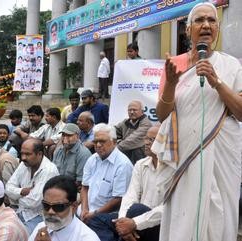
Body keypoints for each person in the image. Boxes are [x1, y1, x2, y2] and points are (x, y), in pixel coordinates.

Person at [153, 3, 242, 241]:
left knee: (220, 219)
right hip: (185, 156)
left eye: (212, 21)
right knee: (184, 221)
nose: (206, 25)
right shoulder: (174, 64)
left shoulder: (232, 66)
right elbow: (163, 115)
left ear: (218, 28)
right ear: (188, 30)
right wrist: (171, 83)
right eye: (200, 20)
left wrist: (217, 82)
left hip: (222, 155)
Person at [88, 126, 162, 241]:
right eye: (146, 138)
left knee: (138, 208)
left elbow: (165, 209)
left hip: (155, 222)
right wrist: (122, 223)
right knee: (95, 220)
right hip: (132, 218)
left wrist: (134, 223)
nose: (146, 143)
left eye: (152, 140)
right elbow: (130, 196)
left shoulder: (173, 169)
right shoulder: (141, 164)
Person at [80, 124, 133, 224]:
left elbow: (118, 199)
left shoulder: (123, 165)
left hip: (107, 216)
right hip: (87, 211)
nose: (98, 145)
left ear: (114, 142)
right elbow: (85, 187)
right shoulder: (92, 159)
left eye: (102, 141)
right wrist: (84, 209)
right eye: (95, 141)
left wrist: (94, 214)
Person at [5, 139, 59, 235]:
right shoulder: (24, 164)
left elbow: (33, 202)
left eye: (28, 154)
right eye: (22, 154)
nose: (23, 157)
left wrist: (15, 197)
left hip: (40, 218)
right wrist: (22, 191)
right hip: (20, 212)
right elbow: (8, 187)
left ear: (39, 154)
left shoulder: (49, 170)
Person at [29, 175, 101, 241]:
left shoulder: (88, 238)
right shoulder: (41, 228)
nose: (50, 211)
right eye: (46, 205)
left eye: (58, 207)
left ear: (74, 207)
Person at [53, 123, 92, 188]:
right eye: (63, 135)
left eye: (69, 135)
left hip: (73, 189)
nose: (65, 138)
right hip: (57, 186)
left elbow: (80, 181)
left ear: (77, 136)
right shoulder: (58, 150)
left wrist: (60, 188)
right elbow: (52, 172)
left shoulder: (83, 154)